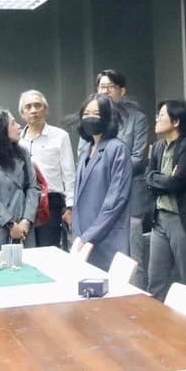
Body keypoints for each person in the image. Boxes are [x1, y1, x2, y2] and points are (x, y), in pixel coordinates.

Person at [145, 99, 186, 294]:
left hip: (181, 219)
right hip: (159, 218)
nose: (157, 119)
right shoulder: (158, 146)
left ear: (176, 121)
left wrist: (160, 180)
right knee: (155, 278)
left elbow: (177, 183)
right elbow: (147, 178)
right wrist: (162, 179)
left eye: (162, 115)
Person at [98, 69, 152, 288]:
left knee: (133, 258)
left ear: (122, 91)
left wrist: (107, 170)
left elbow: (139, 158)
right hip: (101, 198)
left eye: (110, 87)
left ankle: (138, 301)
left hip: (131, 197)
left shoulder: (137, 118)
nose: (106, 91)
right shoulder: (95, 118)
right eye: (102, 87)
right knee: (104, 257)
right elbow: (85, 156)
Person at [74, 94, 134, 272]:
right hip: (82, 236)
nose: (90, 118)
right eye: (86, 114)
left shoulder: (117, 149)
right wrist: (80, 235)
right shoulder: (85, 150)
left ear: (108, 117)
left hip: (108, 236)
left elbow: (115, 201)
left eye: (96, 113)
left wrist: (90, 235)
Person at [0, 108, 41, 252]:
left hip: (24, 230)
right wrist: (10, 224)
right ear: (0, 130)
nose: (19, 126)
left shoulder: (23, 153)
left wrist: (26, 221)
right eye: (13, 123)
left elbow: (33, 187)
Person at [19, 89, 77, 248]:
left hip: (51, 203)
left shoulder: (60, 136)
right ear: (22, 113)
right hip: (24, 203)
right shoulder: (17, 140)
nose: (33, 110)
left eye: (38, 105)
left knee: (48, 250)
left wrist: (70, 206)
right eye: (28, 107)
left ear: (46, 110)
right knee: (26, 250)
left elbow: (69, 174)